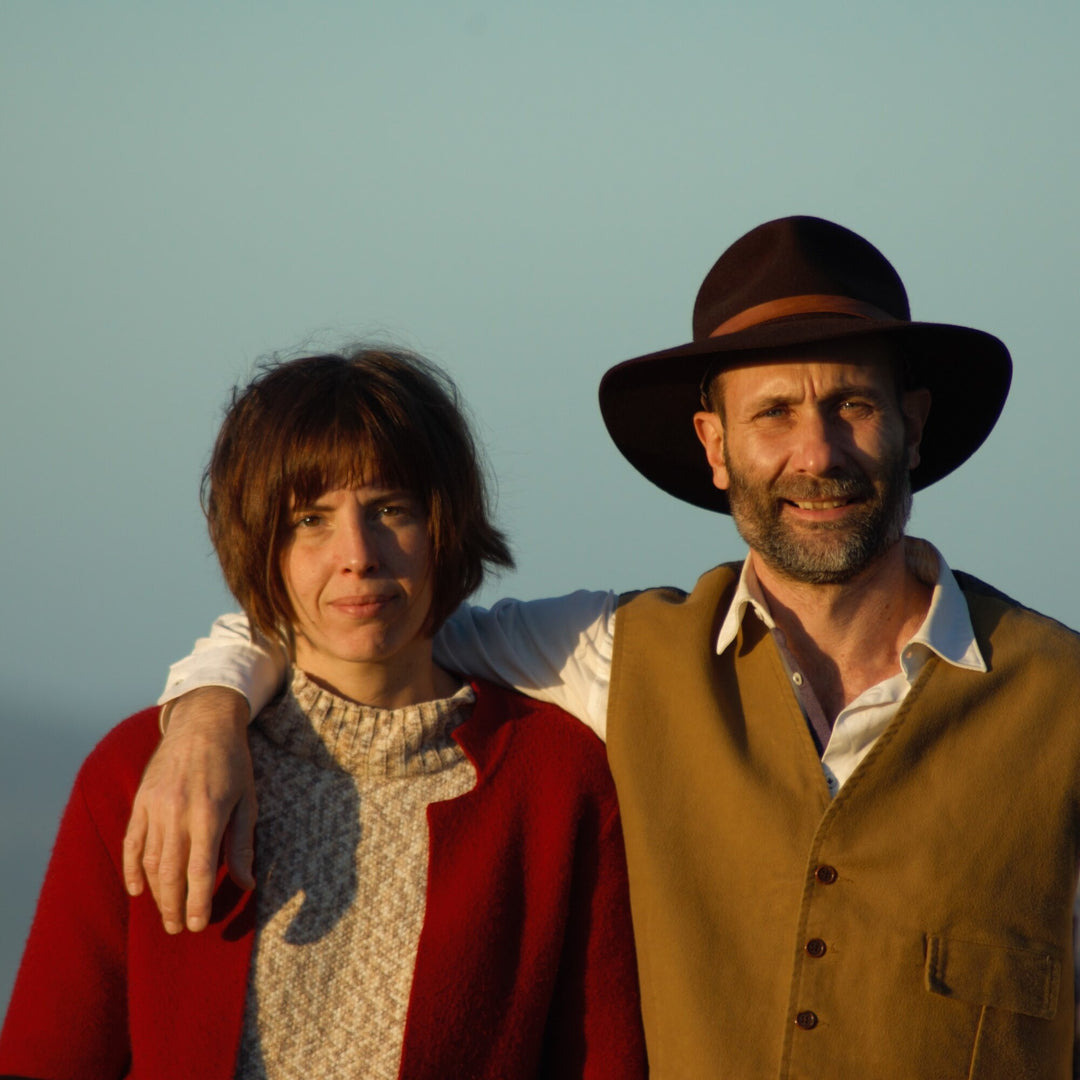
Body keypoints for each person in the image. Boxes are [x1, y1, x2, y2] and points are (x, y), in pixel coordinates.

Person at [116, 217, 1079, 1078]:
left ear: (913, 424)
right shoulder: (618, 657)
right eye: (773, 414)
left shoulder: (1064, 702)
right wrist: (210, 709)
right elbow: (365, 620)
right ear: (714, 444)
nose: (817, 454)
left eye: (853, 407)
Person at [0, 349, 647, 1079]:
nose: (357, 555)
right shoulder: (142, 775)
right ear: (259, 545)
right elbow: (48, 1058)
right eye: (309, 519)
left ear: (444, 524)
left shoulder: (559, 783)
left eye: (390, 509)